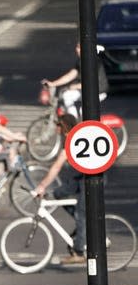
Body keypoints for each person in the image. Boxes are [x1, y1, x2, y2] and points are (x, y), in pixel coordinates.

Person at [33, 111, 86, 265]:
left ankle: (79, 253)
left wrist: (42, 186)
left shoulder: (73, 139)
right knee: (58, 193)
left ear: (64, 126)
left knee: (81, 215)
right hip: (78, 178)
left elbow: (56, 167)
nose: (56, 129)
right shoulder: (69, 138)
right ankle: (84, 229)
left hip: (88, 180)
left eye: (58, 125)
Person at [44, 43, 81, 117]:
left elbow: (94, 81)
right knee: (66, 95)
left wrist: (77, 86)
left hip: (99, 91)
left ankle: (75, 123)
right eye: (77, 47)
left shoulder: (92, 60)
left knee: (83, 111)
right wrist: (53, 84)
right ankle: (74, 120)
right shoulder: (80, 61)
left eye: (79, 48)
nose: (76, 50)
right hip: (87, 90)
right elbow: (70, 76)